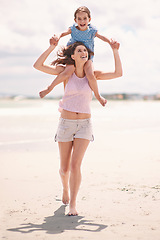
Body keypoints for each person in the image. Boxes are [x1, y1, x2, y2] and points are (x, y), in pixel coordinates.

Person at [33, 38, 122, 216]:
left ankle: (73, 204)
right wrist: (51, 46)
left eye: (85, 51)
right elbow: (38, 65)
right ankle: (65, 188)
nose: (83, 53)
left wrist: (114, 51)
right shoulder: (66, 72)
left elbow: (118, 73)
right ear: (72, 55)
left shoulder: (93, 74)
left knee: (75, 166)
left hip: (84, 124)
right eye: (79, 50)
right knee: (64, 168)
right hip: (66, 124)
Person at [39, 6, 112, 106]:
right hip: (73, 55)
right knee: (67, 73)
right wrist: (58, 36)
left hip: (87, 56)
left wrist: (110, 42)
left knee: (90, 74)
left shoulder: (92, 30)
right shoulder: (73, 28)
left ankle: (98, 96)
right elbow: (64, 32)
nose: (82, 21)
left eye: (85, 18)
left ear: (89, 19)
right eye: (79, 18)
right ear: (75, 20)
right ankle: (49, 88)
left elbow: (102, 37)